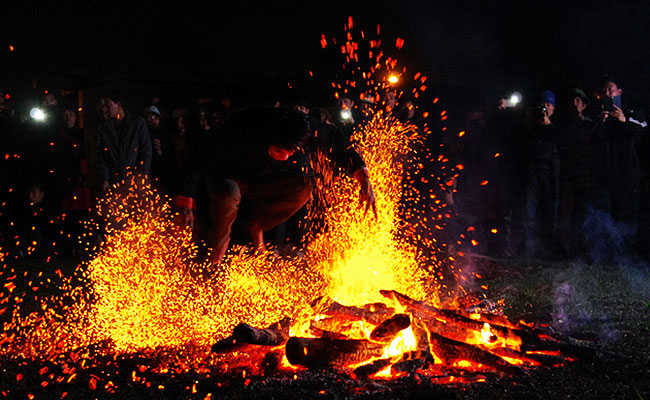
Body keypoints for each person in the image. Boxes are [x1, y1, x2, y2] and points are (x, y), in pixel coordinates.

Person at [591, 79, 647, 252]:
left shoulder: (630, 111)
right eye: (604, 90)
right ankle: (610, 250)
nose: (608, 93)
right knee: (607, 212)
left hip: (628, 172)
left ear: (619, 92)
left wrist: (624, 120)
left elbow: (643, 128)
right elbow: (592, 139)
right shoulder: (599, 116)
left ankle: (629, 251)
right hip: (607, 172)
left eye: (611, 89)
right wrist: (601, 121)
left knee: (628, 212)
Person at [556, 88, 595, 257]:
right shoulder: (563, 126)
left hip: (585, 174)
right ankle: (566, 250)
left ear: (584, 105)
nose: (574, 104)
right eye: (572, 101)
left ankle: (584, 249)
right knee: (567, 213)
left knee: (585, 213)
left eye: (578, 101)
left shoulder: (590, 124)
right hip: (568, 174)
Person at [521, 90, 560, 257]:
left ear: (553, 108)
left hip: (549, 171)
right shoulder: (531, 124)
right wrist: (531, 122)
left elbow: (559, 140)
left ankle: (548, 249)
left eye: (549, 105)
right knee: (528, 211)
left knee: (549, 211)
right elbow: (521, 141)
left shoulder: (556, 125)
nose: (545, 107)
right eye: (543, 104)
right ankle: (527, 249)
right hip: (532, 169)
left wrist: (548, 125)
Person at [96, 92, 152, 194]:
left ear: (118, 104)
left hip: (136, 181)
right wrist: (104, 178)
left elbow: (145, 151)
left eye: (108, 105)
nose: (105, 109)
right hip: (115, 182)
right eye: (103, 106)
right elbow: (102, 155)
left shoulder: (137, 123)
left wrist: (140, 175)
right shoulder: (103, 128)